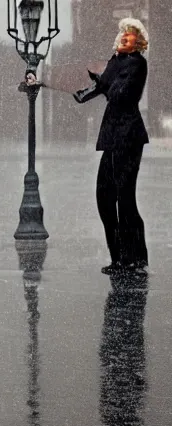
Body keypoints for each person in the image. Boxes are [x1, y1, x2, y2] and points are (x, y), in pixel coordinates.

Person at [73, 18, 150, 275]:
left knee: (125, 199)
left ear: (138, 42)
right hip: (112, 136)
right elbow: (102, 86)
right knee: (104, 196)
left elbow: (120, 94)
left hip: (129, 136)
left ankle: (135, 260)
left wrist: (104, 82)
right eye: (121, 36)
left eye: (129, 37)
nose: (122, 39)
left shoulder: (138, 64)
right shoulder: (116, 62)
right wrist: (85, 90)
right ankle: (118, 258)